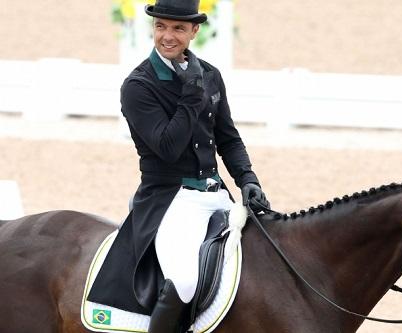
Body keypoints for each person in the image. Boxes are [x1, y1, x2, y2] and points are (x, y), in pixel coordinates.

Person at [87, 0, 270, 332]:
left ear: (194, 30)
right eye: (161, 27)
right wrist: (190, 93)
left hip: (216, 193)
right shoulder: (138, 86)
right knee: (184, 280)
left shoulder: (210, 75)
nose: (167, 36)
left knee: (266, 255)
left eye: (178, 28)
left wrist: (247, 179)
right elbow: (168, 148)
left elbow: (227, 138)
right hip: (171, 200)